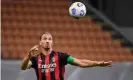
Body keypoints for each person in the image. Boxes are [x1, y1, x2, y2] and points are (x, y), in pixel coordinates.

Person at [20, 32, 112, 80]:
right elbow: (23, 67)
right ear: (40, 42)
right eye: (45, 39)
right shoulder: (35, 59)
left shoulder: (61, 56)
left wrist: (98, 63)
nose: (47, 41)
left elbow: (81, 62)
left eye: (50, 39)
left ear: (52, 42)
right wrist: (28, 55)